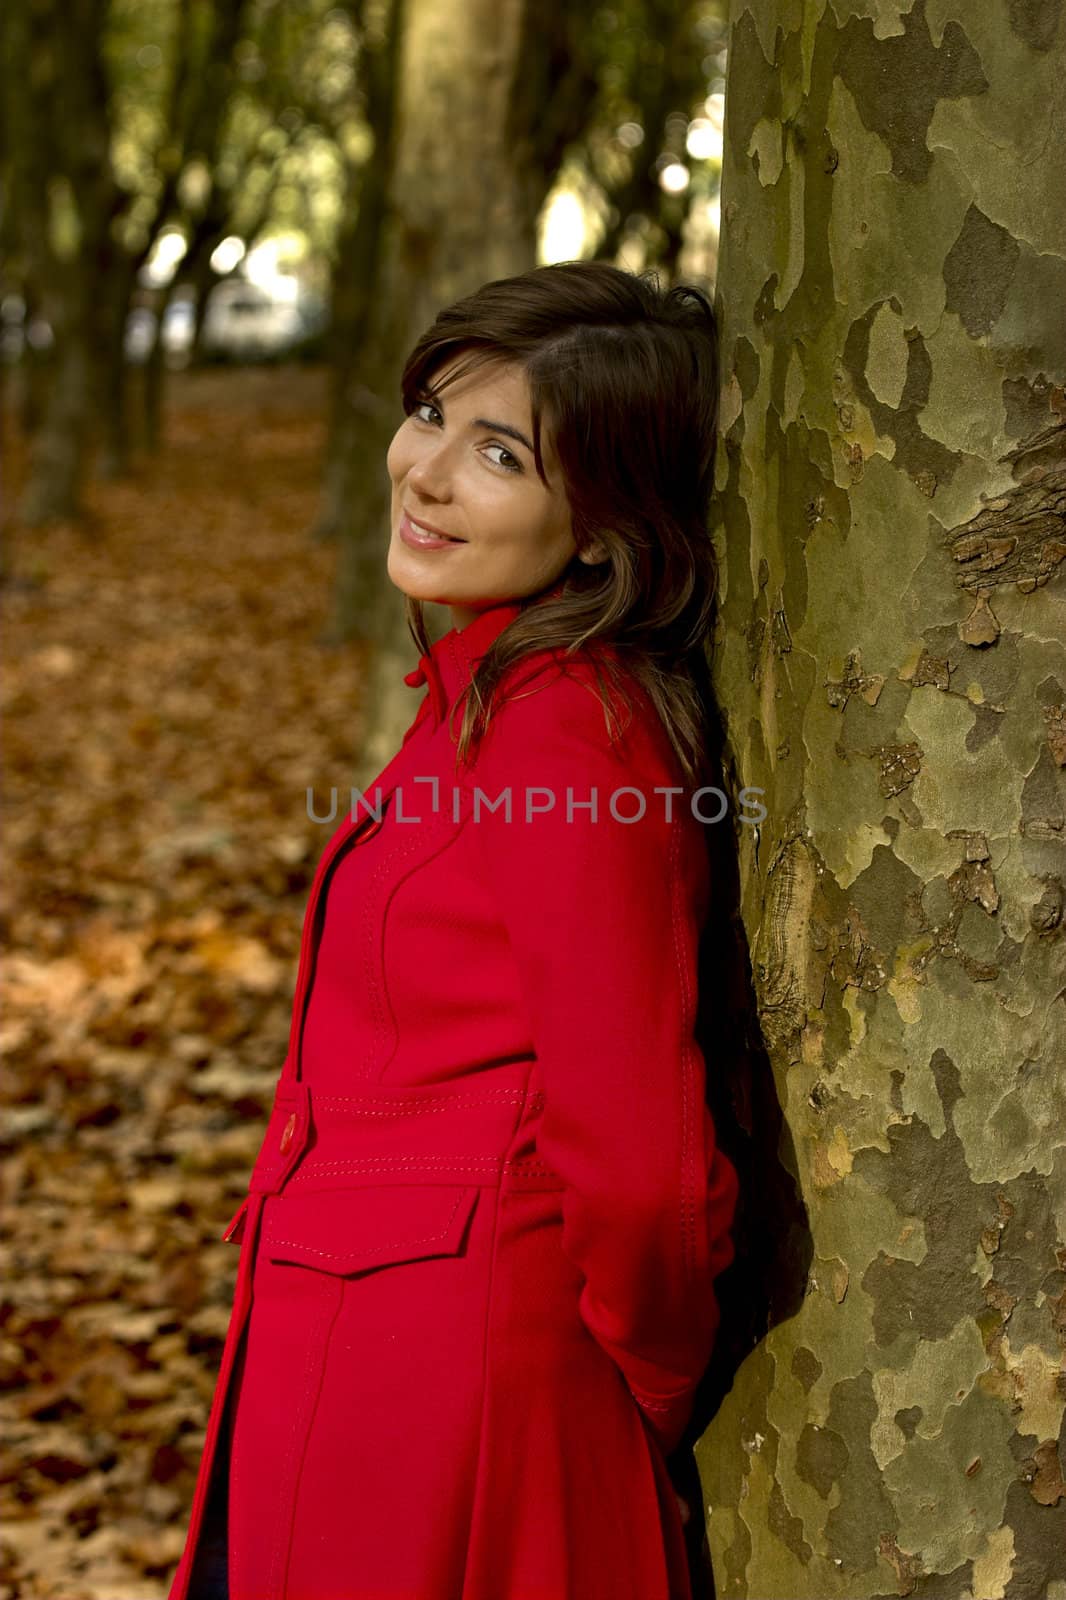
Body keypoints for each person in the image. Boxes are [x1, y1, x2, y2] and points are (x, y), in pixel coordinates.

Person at [169, 260, 739, 1600]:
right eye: (430, 413)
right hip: (349, 1344)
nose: (422, 472)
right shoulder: (481, 692)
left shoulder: (568, 726)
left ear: (603, 524)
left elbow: (642, 1166)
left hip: (453, 1386)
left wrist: (639, 1388)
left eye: (498, 453)